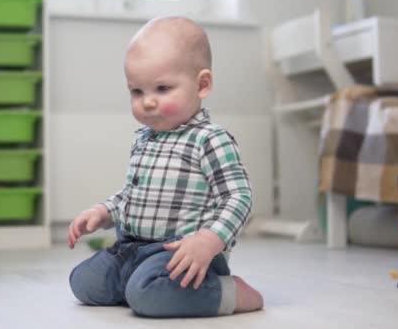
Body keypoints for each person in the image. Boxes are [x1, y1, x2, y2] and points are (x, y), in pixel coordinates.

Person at [67, 16, 264, 318]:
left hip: (183, 254)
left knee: (145, 295)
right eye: (137, 91)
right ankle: (144, 284)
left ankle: (229, 292)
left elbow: (239, 197)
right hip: (133, 248)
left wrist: (209, 241)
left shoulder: (210, 139)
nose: (147, 102)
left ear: (202, 84)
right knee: (83, 283)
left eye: (161, 88)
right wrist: (105, 212)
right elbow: (133, 197)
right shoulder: (144, 139)